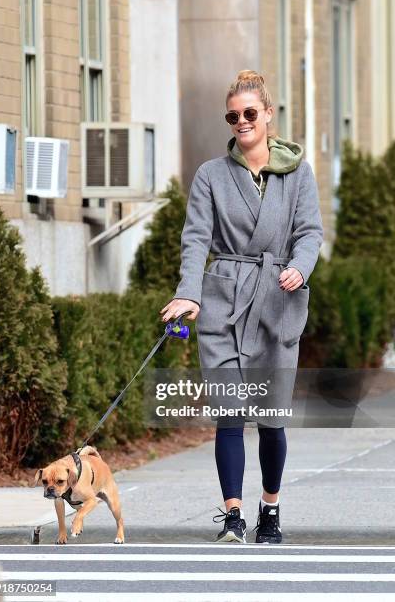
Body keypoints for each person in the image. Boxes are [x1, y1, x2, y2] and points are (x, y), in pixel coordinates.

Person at [160, 70, 323, 544]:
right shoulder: (211, 175)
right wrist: (188, 292)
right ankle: (232, 515)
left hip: (277, 300)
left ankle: (269, 510)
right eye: (233, 116)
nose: (242, 122)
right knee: (229, 413)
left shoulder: (299, 173)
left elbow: (310, 231)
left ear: (269, 115)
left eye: (250, 113)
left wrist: (300, 265)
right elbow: (195, 240)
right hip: (224, 302)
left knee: (272, 421)